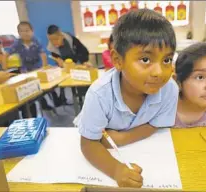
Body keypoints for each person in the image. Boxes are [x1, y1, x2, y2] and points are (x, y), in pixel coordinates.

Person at [74, 9, 178, 188]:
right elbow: (89, 143)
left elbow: (156, 125)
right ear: (117, 60)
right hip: (96, 133)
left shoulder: (169, 89)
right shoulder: (99, 94)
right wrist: (116, 170)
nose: (159, 72)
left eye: (167, 60)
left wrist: (122, 138)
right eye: (145, 59)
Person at [47, 25, 91, 106]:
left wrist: (82, 62)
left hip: (79, 67)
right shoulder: (52, 48)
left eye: (56, 39)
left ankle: (86, 101)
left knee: (84, 87)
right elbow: (59, 61)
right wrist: (60, 63)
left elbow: (84, 53)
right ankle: (62, 99)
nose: (54, 42)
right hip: (66, 71)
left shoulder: (72, 40)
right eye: (51, 40)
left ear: (61, 35)